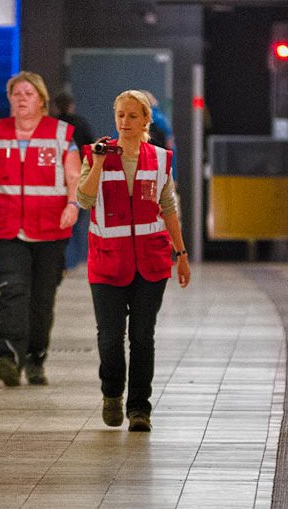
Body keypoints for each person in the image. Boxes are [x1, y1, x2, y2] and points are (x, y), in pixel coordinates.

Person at [76, 90, 191, 432]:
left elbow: (168, 207)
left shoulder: (159, 158)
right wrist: (97, 162)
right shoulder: (95, 154)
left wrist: (181, 254)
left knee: (143, 336)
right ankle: (112, 393)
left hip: (151, 263)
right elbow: (83, 199)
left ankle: (139, 407)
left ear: (145, 121)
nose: (125, 122)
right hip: (107, 263)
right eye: (120, 116)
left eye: (132, 116)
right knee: (110, 337)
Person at [0, 71, 80, 387]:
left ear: (42, 100)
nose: (22, 98)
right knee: (12, 291)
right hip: (6, 229)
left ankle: (36, 358)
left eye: (28, 93)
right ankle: (7, 358)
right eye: (16, 93)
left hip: (50, 231)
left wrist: (72, 204)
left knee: (42, 300)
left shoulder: (61, 134)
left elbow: (74, 177)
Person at [53, 90, 95, 269]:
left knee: (57, 220)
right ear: (72, 105)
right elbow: (91, 148)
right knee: (75, 219)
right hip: (79, 177)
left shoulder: (53, 125)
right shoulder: (81, 124)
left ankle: (59, 259)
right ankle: (73, 260)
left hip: (56, 178)